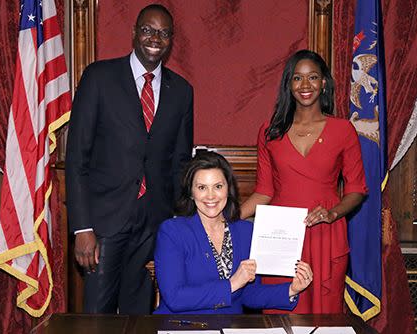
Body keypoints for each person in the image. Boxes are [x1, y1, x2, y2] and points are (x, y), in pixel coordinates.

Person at [65, 4, 193, 314]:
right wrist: (82, 228)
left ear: (171, 40)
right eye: (148, 30)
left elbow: (180, 163)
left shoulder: (182, 91)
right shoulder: (99, 77)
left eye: (163, 33)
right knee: (98, 315)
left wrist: (178, 223)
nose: (155, 38)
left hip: (154, 225)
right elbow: (77, 158)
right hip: (105, 224)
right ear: (134, 33)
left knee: (140, 316)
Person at [240, 49, 367, 314]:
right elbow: (264, 191)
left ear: (324, 83)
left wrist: (332, 213)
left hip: (325, 235)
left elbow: (356, 190)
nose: (305, 85)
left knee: (324, 317)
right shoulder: (269, 131)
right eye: (297, 78)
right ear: (289, 84)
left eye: (313, 77)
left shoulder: (343, 130)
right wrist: (224, 217)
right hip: (280, 236)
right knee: (280, 312)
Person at [154, 152, 313, 314]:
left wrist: (292, 290)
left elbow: (248, 295)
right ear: (191, 193)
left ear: (228, 190)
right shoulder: (172, 232)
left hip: (230, 326)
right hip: (181, 327)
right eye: (202, 187)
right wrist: (233, 283)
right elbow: (175, 298)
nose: (210, 196)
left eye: (218, 186)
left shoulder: (245, 231)